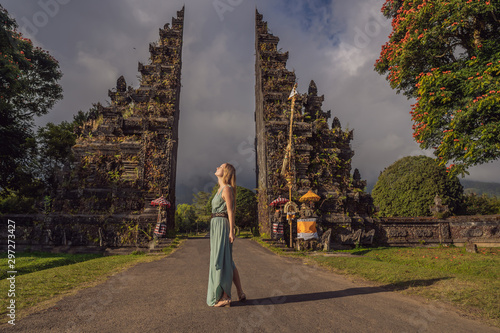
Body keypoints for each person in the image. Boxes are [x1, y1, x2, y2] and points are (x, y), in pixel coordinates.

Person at [206, 163, 246, 307]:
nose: (217, 167)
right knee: (227, 259)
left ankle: (225, 296)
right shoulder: (219, 189)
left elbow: (230, 211)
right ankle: (239, 292)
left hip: (222, 225)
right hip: (216, 225)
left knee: (221, 259)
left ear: (226, 172)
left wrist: (231, 230)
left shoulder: (227, 189)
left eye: (221, 166)